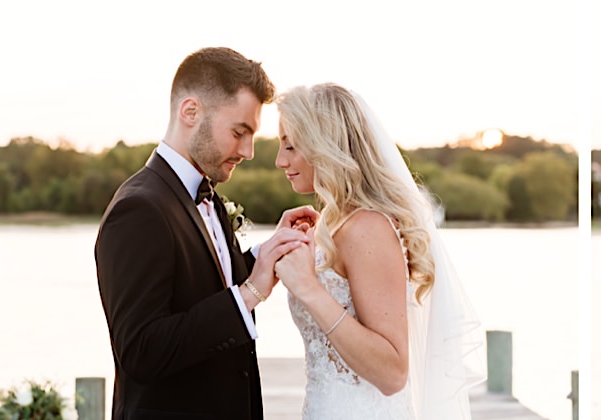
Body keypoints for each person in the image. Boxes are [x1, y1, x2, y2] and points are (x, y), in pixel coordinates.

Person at [94, 46, 315, 419]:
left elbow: (204, 286)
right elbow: (141, 351)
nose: (248, 151)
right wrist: (250, 293)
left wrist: (266, 254)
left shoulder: (205, 195)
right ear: (190, 112)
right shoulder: (139, 209)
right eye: (239, 132)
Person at [270, 82, 485, 419]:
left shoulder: (368, 228)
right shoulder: (336, 226)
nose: (280, 160)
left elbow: (392, 372)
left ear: (327, 145)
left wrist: (309, 288)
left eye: (291, 146)